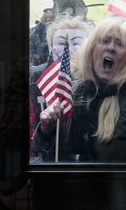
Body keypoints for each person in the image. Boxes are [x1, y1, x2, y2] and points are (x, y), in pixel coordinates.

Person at [34, 17, 126, 163]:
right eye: (105, 41)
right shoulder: (73, 94)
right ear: (91, 50)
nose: (111, 48)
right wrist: (46, 131)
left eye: (119, 44)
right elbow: (42, 156)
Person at [29, 17, 92, 156]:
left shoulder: (92, 78)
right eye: (61, 42)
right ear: (51, 48)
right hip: (45, 154)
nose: (68, 48)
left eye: (76, 42)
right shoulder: (38, 75)